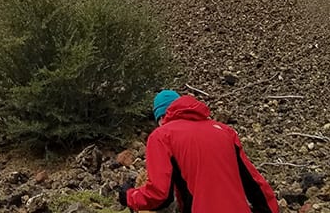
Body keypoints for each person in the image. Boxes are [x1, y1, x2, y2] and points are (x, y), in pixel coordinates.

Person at [119, 90, 278, 213]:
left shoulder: (161, 136)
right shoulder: (225, 131)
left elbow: (160, 196)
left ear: (161, 117)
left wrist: (130, 196)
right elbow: (256, 186)